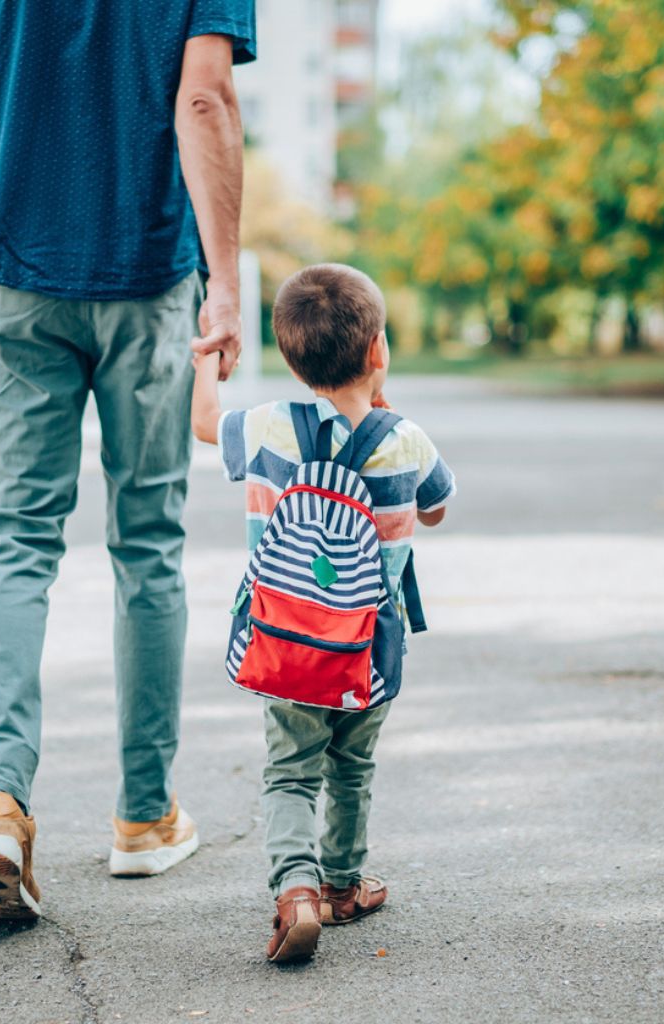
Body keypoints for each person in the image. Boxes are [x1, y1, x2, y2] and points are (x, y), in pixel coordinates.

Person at [0, 0, 256, 921]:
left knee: (19, 537)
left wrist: (17, 136)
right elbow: (206, 102)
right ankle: (143, 818)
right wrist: (226, 283)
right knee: (146, 541)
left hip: (15, 267)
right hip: (145, 275)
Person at [190, 263, 456, 961]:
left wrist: (208, 360)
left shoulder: (269, 428)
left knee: (289, 771)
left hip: (284, 646)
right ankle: (342, 885)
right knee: (351, 766)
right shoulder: (407, 441)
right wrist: (383, 407)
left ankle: (295, 891)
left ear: (289, 356)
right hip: (367, 650)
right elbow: (435, 509)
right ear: (378, 351)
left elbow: (203, 425)